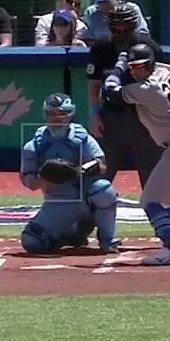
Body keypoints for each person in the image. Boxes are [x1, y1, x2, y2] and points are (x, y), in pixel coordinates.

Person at [101, 44, 170, 266]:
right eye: (132, 67)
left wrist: (119, 67)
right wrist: (131, 63)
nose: (134, 72)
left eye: (139, 67)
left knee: (150, 201)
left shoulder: (148, 89)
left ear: (149, 65)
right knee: (168, 199)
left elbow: (110, 92)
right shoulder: (163, 73)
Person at [19, 93, 120, 254]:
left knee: (103, 190)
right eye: (51, 113)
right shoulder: (34, 146)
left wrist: (77, 172)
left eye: (61, 113)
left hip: (84, 198)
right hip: (57, 202)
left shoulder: (81, 138)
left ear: (70, 114)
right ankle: (70, 234)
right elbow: (28, 181)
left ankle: (107, 239)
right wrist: (47, 179)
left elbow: (101, 165)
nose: (56, 118)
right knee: (31, 242)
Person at [86, 1, 164, 187]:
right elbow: (94, 84)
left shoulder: (148, 47)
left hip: (144, 117)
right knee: (100, 177)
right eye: (116, 28)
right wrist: (94, 114)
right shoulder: (101, 48)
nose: (121, 32)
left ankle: (160, 213)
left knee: (153, 180)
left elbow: (160, 83)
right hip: (112, 117)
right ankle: (91, 213)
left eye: (125, 28)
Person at [81, 0, 149, 43]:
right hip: (102, 52)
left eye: (105, 1)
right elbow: (87, 38)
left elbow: (144, 34)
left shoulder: (131, 9)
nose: (103, 5)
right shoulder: (90, 12)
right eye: (99, 2)